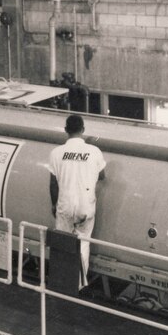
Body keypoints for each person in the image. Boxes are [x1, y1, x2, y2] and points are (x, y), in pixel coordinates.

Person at [48, 114, 106, 288]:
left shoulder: (56, 153)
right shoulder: (94, 151)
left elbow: (53, 183)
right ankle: (78, 285)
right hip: (85, 205)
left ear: (66, 130)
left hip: (65, 205)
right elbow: (102, 175)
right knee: (83, 245)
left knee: (64, 245)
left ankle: (62, 285)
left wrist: (54, 204)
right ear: (83, 129)